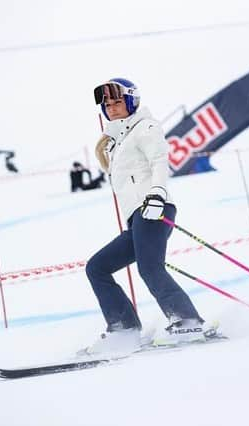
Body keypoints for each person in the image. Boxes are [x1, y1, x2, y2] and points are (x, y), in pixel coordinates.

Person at [85, 78, 206, 355]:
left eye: (117, 102)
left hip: (153, 206)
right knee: (97, 268)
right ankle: (124, 328)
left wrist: (158, 194)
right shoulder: (118, 140)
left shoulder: (145, 127)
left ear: (131, 102)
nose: (112, 108)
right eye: (107, 104)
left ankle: (187, 321)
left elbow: (159, 162)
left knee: (150, 268)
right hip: (136, 218)